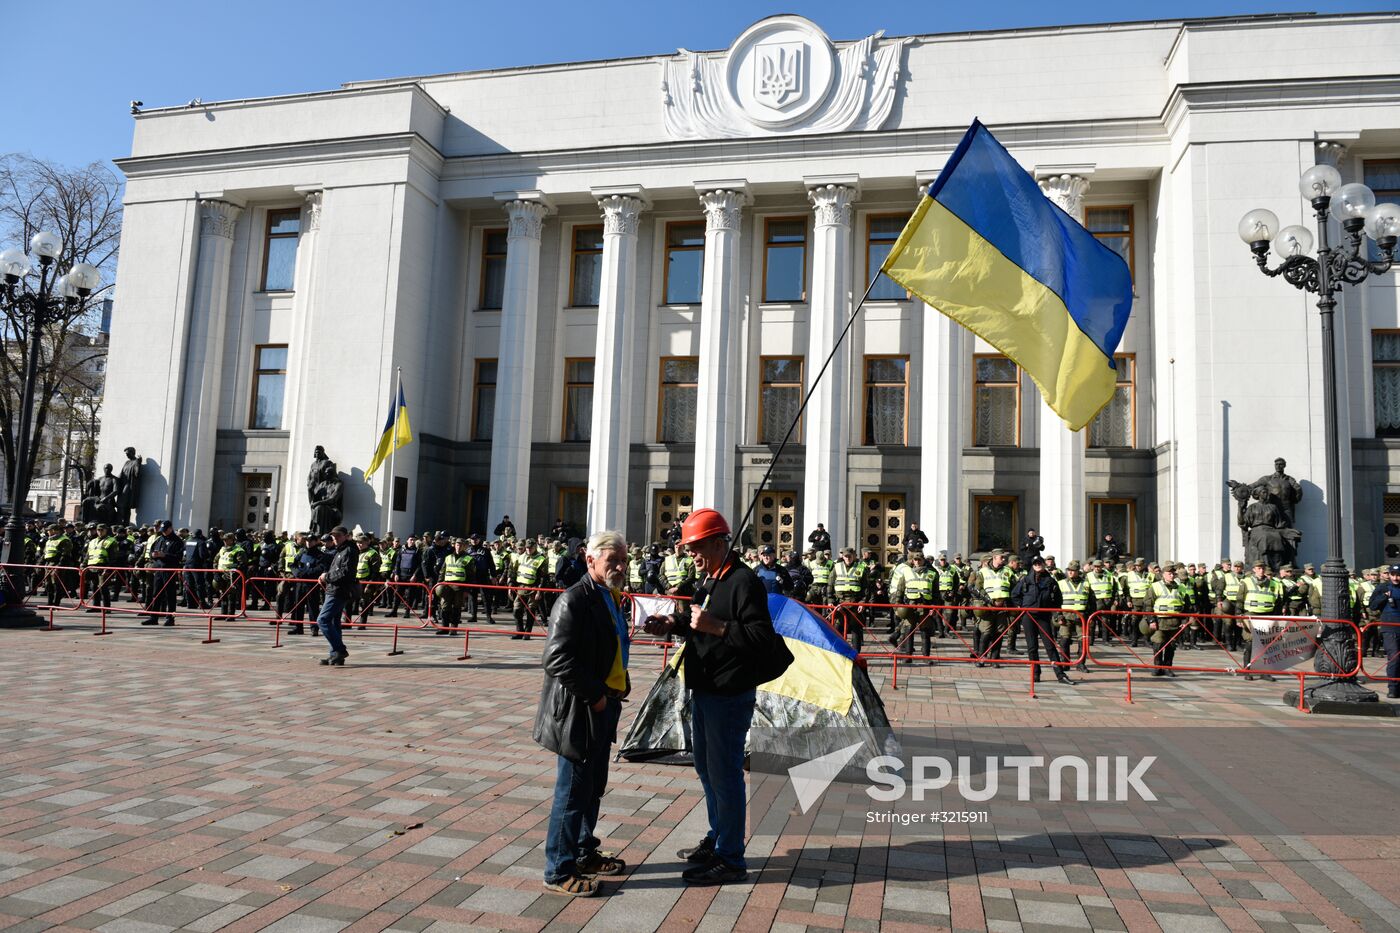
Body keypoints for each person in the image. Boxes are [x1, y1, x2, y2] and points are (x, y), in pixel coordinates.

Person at [642, 508, 790, 886]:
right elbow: (695, 618)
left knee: (725, 775)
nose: (691, 554)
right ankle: (718, 835)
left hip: (729, 693)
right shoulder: (710, 579)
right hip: (705, 687)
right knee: (707, 769)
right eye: (688, 548)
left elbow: (760, 638)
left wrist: (719, 627)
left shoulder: (744, 582)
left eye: (697, 546)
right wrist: (671, 624)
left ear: (720, 542)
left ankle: (731, 858)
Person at [532, 531, 632, 897]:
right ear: (590, 561)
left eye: (624, 560)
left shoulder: (610, 596)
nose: (620, 567)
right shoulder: (574, 600)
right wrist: (596, 698)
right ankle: (558, 869)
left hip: (605, 704)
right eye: (612, 561)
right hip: (580, 709)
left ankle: (584, 851)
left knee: (592, 788)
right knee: (572, 791)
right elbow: (556, 658)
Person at [1010, 556, 1073, 684]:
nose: (1038, 565)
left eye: (1040, 563)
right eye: (1035, 563)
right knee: (1032, 647)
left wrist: (1055, 612)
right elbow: (1015, 595)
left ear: (1044, 565)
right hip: (1029, 616)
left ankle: (1060, 675)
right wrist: (1023, 606)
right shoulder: (1026, 580)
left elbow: (1058, 599)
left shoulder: (1050, 581)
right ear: (1033, 566)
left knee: (1050, 646)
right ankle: (1035, 673)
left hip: (1043, 616)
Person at [314, 526, 359, 665]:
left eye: (338, 535)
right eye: (333, 536)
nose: (335, 538)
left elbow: (345, 573)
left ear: (346, 536)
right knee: (334, 622)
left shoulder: (349, 550)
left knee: (322, 620)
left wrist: (326, 576)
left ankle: (340, 649)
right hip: (333, 589)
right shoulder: (340, 550)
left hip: (339, 591)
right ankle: (335, 655)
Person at [889, 549, 938, 659]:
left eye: (919, 559)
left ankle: (926, 657)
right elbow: (900, 590)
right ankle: (908, 656)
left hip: (925, 606)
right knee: (908, 631)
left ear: (923, 560)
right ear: (913, 561)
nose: (917, 562)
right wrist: (897, 606)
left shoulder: (932, 574)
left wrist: (934, 607)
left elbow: (936, 593)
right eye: (915, 560)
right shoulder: (906, 572)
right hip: (909, 606)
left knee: (925, 632)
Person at [1239, 559, 1282, 681]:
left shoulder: (1273, 584)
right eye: (1258, 568)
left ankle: (1264, 672)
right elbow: (1239, 600)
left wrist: (1276, 619)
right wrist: (1238, 617)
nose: (1261, 570)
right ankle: (1247, 671)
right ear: (1254, 569)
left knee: (1265, 644)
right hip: (1250, 615)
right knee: (1250, 643)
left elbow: (1278, 602)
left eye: (1262, 568)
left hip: (1267, 616)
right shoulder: (1246, 581)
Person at [1148, 563, 1188, 676]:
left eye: (1173, 573)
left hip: (1175, 621)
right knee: (1158, 644)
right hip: (1160, 620)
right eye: (1169, 573)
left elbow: (1186, 606)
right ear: (1163, 575)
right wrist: (1151, 620)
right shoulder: (1155, 586)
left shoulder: (1181, 587)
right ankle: (1157, 667)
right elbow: (1148, 605)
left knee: (1171, 645)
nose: (1171, 575)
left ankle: (1167, 667)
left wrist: (1184, 621)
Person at [1368, 566, 1400, 698]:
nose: (1395, 578)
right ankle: (1392, 688)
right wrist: (1384, 597)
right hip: (1390, 628)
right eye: (1393, 574)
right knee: (1394, 657)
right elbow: (1373, 605)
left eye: (1398, 575)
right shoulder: (1383, 588)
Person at [143, 521, 182, 625]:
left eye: (165, 530)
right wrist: (153, 555)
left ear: (170, 528)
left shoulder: (177, 541)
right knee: (156, 593)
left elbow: (178, 558)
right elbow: (152, 551)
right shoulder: (159, 539)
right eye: (162, 531)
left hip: (169, 570)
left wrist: (164, 555)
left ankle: (170, 618)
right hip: (158, 570)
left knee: (170, 594)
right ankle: (154, 617)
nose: (163, 533)